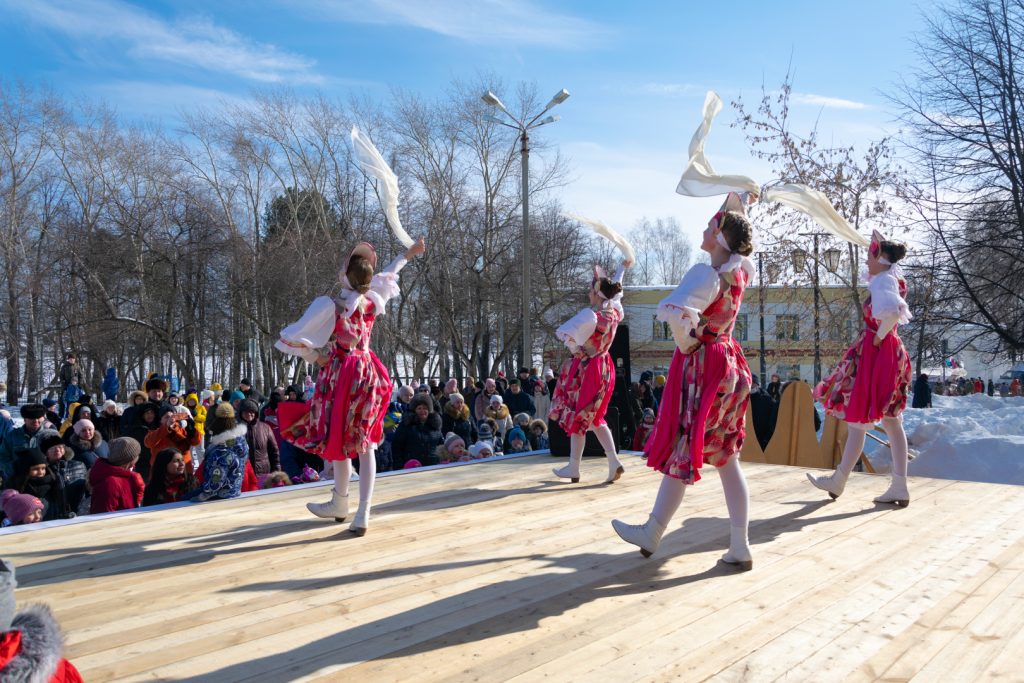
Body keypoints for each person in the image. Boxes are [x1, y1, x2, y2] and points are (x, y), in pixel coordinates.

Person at [612, 193, 755, 569]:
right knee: (727, 458)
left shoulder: (707, 275)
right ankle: (739, 544)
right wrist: (742, 203)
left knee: (683, 445)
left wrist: (687, 343)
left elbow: (677, 319)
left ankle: (653, 530)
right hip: (731, 366)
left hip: (704, 366)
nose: (705, 229)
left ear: (722, 239)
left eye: (712, 226)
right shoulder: (739, 272)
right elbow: (740, 235)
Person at [276, 237, 426, 535]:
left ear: (345, 276)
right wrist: (409, 253)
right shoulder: (372, 299)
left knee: (339, 439)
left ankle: (341, 500)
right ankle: (361, 510)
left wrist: (315, 356)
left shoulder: (332, 306)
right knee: (364, 442)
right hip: (367, 371)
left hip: (341, 372)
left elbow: (298, 337)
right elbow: (389, 273)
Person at [809, 230, 913, 506]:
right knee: (891, 421)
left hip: (879, 354)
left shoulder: (882, 282)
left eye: (870, 255)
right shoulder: (891, 278)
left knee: (859, 422)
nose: (867, 261)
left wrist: (877, 339)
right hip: (889, 352)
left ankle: (839, 480)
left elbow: (891, 313)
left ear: (881, 258)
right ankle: (898, 484)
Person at [549, 259, 632, 484]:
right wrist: (622, 268)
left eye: (590, 290)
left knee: (581, 415)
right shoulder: (614, 312)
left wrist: (574, 346)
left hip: (589, 369)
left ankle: (574, 467)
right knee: (595, 418)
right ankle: (613, 461)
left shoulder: (591, 316)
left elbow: (569, 340)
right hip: (605, 366)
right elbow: (616, 290)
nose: (588, 294)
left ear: (597, 293)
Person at [191, 402, 248, 502]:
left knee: (184, 498)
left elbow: (216, 480)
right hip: (234, 490)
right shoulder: (242, 443)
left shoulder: (220, 451)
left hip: (218, 495)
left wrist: (203, 495)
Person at [10, 447, 71, 521]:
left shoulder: (53, 482)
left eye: (43, 468)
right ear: (25, 470)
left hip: (53, 523)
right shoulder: (17, 487)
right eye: (35, 469)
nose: (41, 472)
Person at [88, 437, 145, 514]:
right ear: (130, 459)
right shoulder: (110, 483)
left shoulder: (128, 474)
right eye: (137, 454)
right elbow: (102, 517)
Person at [143, 407, 201, 479]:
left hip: (183, 472)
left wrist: (192, 430)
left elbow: (196, 442)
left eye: (172, 416)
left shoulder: (182, 430)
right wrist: (167, 427)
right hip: (162, 473)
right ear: (161, 420)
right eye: (166, 417)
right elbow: (148, 443)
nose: (170, 419)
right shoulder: (155, 432)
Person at [39, 430, 87, 517]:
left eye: (60, 447)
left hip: (78, 514)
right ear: (45, 452)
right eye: (53, 448)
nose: (57, 450)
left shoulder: (78, 465)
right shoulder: (42, 470)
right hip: (52, 517)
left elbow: (86, 489)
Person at [0, 404, 51, 484]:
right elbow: (3, 457)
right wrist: (13, 470)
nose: (36, 421)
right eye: (32, 418)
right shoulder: (12, 436)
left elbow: (59, 457)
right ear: (24, 419)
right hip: (17, 481)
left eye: (38, 417)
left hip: (43, 480)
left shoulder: (50, 435)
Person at [391, 393, 444, 468]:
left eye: (425, 408)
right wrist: (399, 466)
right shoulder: (406, 425)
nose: (422, 411)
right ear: (414, 410)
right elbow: (397, 447)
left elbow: (441, 445)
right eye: (419, 408)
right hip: (411, 466)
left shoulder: (435, 426)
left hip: (433, 465)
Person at [239, 399, 280, 475]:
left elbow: (274, 451)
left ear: (256, 413)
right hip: (242, 475)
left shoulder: (265, 428)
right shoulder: (235, 430)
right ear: (241, 413)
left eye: (251, 411)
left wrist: (276, 472)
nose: (248, 414)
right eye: (245, 411)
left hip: (263, 474)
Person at [748, 375, 778, 450]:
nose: (751, 385)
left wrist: (766, 438)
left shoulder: (767, 399)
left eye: (753, 383)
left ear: (757, 385)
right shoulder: (740, 397)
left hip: (762, 439)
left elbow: (773, 420)